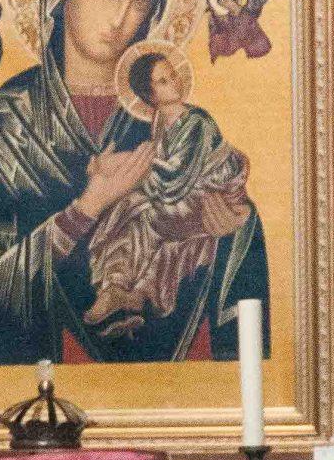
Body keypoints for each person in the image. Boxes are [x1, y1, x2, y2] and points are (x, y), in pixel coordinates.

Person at [0, 0, 268, 364]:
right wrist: (85, 209)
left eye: (140, 3)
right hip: (41, 381)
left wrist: (227, 226)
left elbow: (217, 210)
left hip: (174, 379)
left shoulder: (168, 122)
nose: (121, 18)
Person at [85, 45, 259, 339]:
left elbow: (175, 176)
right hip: (184, 195)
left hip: (211, 198)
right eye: (164, 81)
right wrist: (121, 171)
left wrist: (121, 168)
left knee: (140, 212)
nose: (175, 82)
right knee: (129, 207)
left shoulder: (197, 122)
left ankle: (117, 287)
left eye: (173, 75)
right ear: (150, 95)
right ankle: (119, 289)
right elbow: (162, 170)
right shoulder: (161, 122)